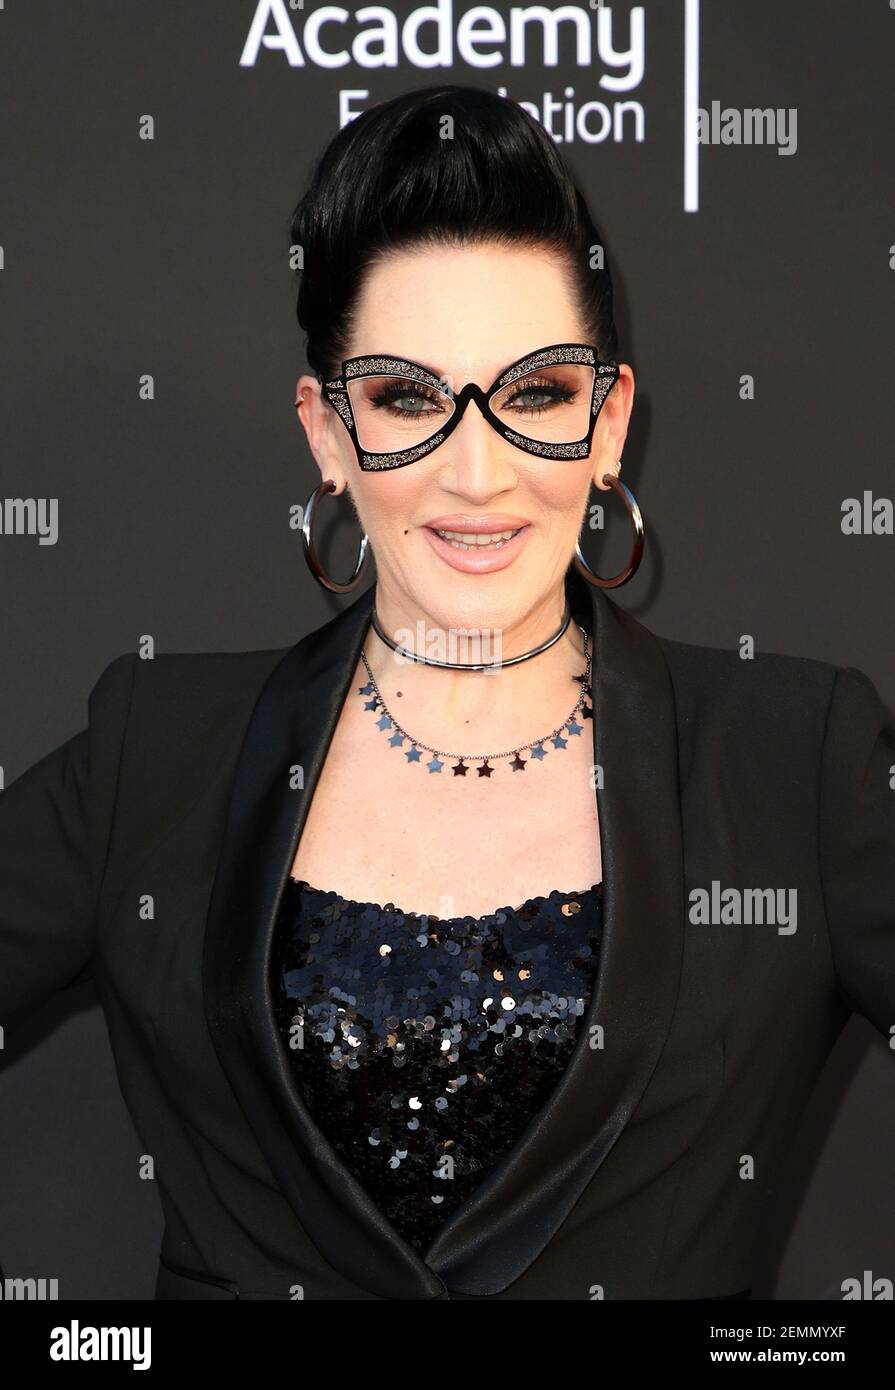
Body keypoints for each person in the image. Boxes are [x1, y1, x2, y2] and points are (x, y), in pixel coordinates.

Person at [2, 84, 893, 1302]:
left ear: (609, 420)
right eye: (407, 399)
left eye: (533, 394)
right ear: (326, 432)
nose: (476, 475)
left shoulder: (795, 760)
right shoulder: (155, 753)